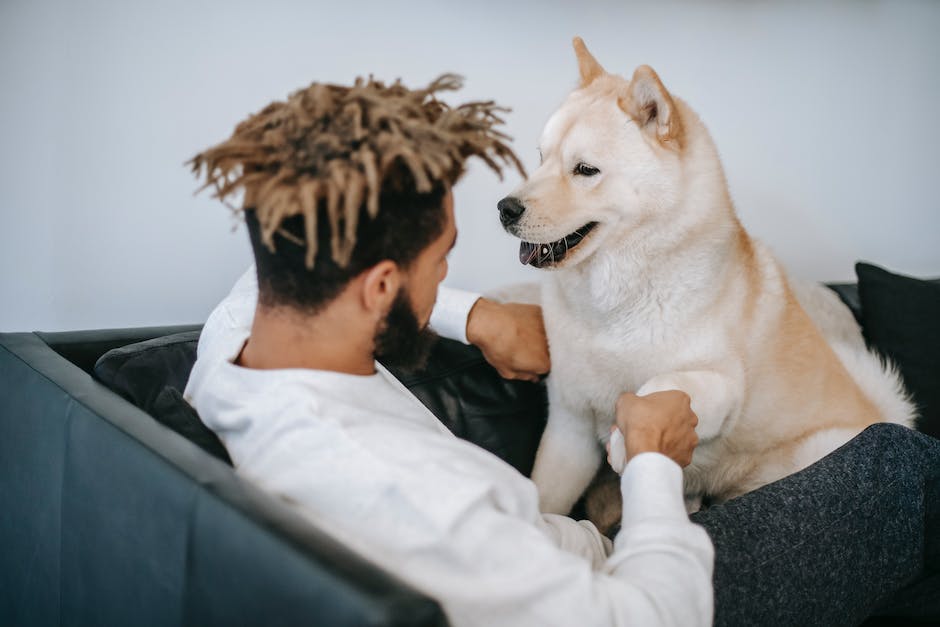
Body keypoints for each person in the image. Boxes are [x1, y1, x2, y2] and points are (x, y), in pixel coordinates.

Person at [185, 74, 939, 626]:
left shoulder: (236, 354)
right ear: (379, 284)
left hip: (588, 545)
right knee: (900, 469)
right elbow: (645, 615)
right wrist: (650, 463)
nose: (452, 270)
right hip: (645, 583)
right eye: (441, 259)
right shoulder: (416, 505)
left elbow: (252, 283)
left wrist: (471, 313)